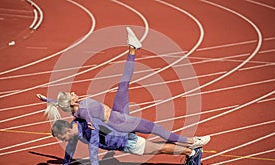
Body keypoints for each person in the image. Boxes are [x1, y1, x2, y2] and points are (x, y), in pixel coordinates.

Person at [38, 27, 211, 149]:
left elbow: (65, 105)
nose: (74, 92)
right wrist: (91, 125)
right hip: (119, 122)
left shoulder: (74, 108)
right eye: (71, 94)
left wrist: (49, 100)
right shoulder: (82, 111)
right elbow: (90, 119)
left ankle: (133, 48)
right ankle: (192, 141)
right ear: (71, 101)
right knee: (156, 129)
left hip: (116, 112)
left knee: (123, 83)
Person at [51, 118, 203, 165]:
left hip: (126, 142)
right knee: (156, 147)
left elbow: (93, 154)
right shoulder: (77, 123)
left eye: (61, 136)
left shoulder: (89, 131)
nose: (62, 140)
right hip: (123, 139)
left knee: (158, 149)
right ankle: (189, 150)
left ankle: (191, 152)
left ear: (67, 130)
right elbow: (71, 146)